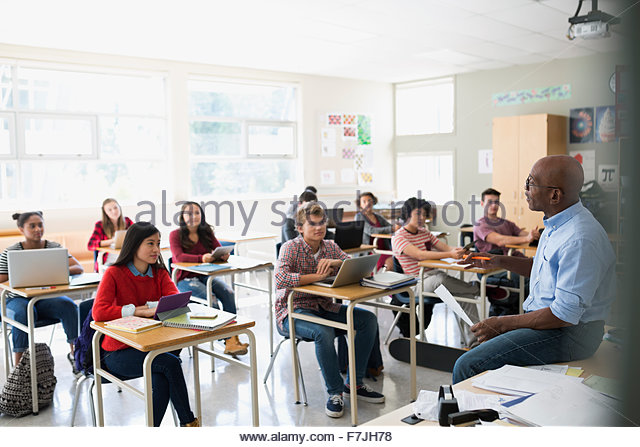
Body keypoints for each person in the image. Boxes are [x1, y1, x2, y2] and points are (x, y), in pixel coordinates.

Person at [452, 155, 616, 384]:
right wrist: (499, 261)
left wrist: (502, 323)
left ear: (555, 195)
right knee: (482, 355)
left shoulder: (580, 238)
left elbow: (564, 315)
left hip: (570, 335)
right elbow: (543, 270)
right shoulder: (555, 223)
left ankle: (474, 417)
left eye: (531, 183)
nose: (525, 189)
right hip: (553, 325)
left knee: (468, 365)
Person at [275, 203, 384, 418]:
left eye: (322, 222)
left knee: (368, 320)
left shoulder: (330, 246)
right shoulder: (290, 247)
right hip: (292, 311)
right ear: (299, 227)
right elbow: (281, 278)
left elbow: (362, 270)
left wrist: (336, 262)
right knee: (323, 331)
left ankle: (354, 384)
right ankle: (335, 393)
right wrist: (315, 278)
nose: (319, 227)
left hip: (323, 306)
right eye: (312, 224)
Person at [92, 222, 200, 427]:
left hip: (152, 346)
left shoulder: (159, 272)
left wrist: (150, 307)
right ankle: (190, 423)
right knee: (169, 364)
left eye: (158, 244)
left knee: (162, 375)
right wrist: (136, 310)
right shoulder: (114, 273)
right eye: (150, 243)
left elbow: (176, 302)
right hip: (117, 352)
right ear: (134, 245)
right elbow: (99, 312)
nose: (156, 250)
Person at [391, 198, 508, 347]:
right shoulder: (399, 237)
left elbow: (444, 248)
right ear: (407, 214)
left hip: (433, 278)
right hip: (415, 283)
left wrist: (457, 251)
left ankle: (477, 343)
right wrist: (450, 255)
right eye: (417, 214)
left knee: (466, 296)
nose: (422, 218)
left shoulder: (424, 232)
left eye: (424, 214)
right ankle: (479, 288)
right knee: (440, 279)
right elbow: (420, 255)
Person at [0, 211, 81, 374]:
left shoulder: (54, 247)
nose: (38, 229)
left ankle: (76, 356)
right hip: (17, 300)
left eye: (40, 225)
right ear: (21, 229)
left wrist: (56, 269)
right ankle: (20, 369)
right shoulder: (11, 252)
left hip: (44, 299)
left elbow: (78, 267)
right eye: (32, 226)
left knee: (68, 305)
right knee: (23, 312)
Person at [169, 201, 247, 356]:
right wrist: (201, 258)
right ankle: (226, 339)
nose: (193, 217)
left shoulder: (206, 232)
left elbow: (217, 249)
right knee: (212, 300)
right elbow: (178, 257)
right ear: (182, 217)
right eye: (189, 213)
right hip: (185, 280)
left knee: (228, 292)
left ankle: (231, 338)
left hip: (206, 276)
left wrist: (222, 255)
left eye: (197, 213)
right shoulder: (175, 235)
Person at [473, 187, 540, 315]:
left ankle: (528, 314)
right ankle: (524, 315)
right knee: (529, 278)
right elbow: (500, 241)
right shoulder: (480, 225)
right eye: (490, 202)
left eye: (496, 202)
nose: (494, 205)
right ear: (482, 204)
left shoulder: (506, 223)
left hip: (512, 261)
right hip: (495, 267)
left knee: (540, 271)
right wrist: (527, 237)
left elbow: (522, 234)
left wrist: (533, 235)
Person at [354, 191, 399, 272]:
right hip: (371, 252)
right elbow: (371, 231)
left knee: (399, 256)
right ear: (360, 204)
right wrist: (391, 228)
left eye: (369, 200)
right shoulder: (359, 217)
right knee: (391, 262)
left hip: (384, 249)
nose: (367, 203)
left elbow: (389, 226)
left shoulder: (378, 217)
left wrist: (396, 227)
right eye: (364, 201)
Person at [87, 198, 133, 272]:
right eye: (110, 210)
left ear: (119, 208)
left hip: (126, 260)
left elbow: (137, 235)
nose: (114, 211)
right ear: (105, 212)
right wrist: (112, 241)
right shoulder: (100, 225)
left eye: (115, 208)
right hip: (109, 263)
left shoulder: (127, 221)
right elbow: (90, 245)